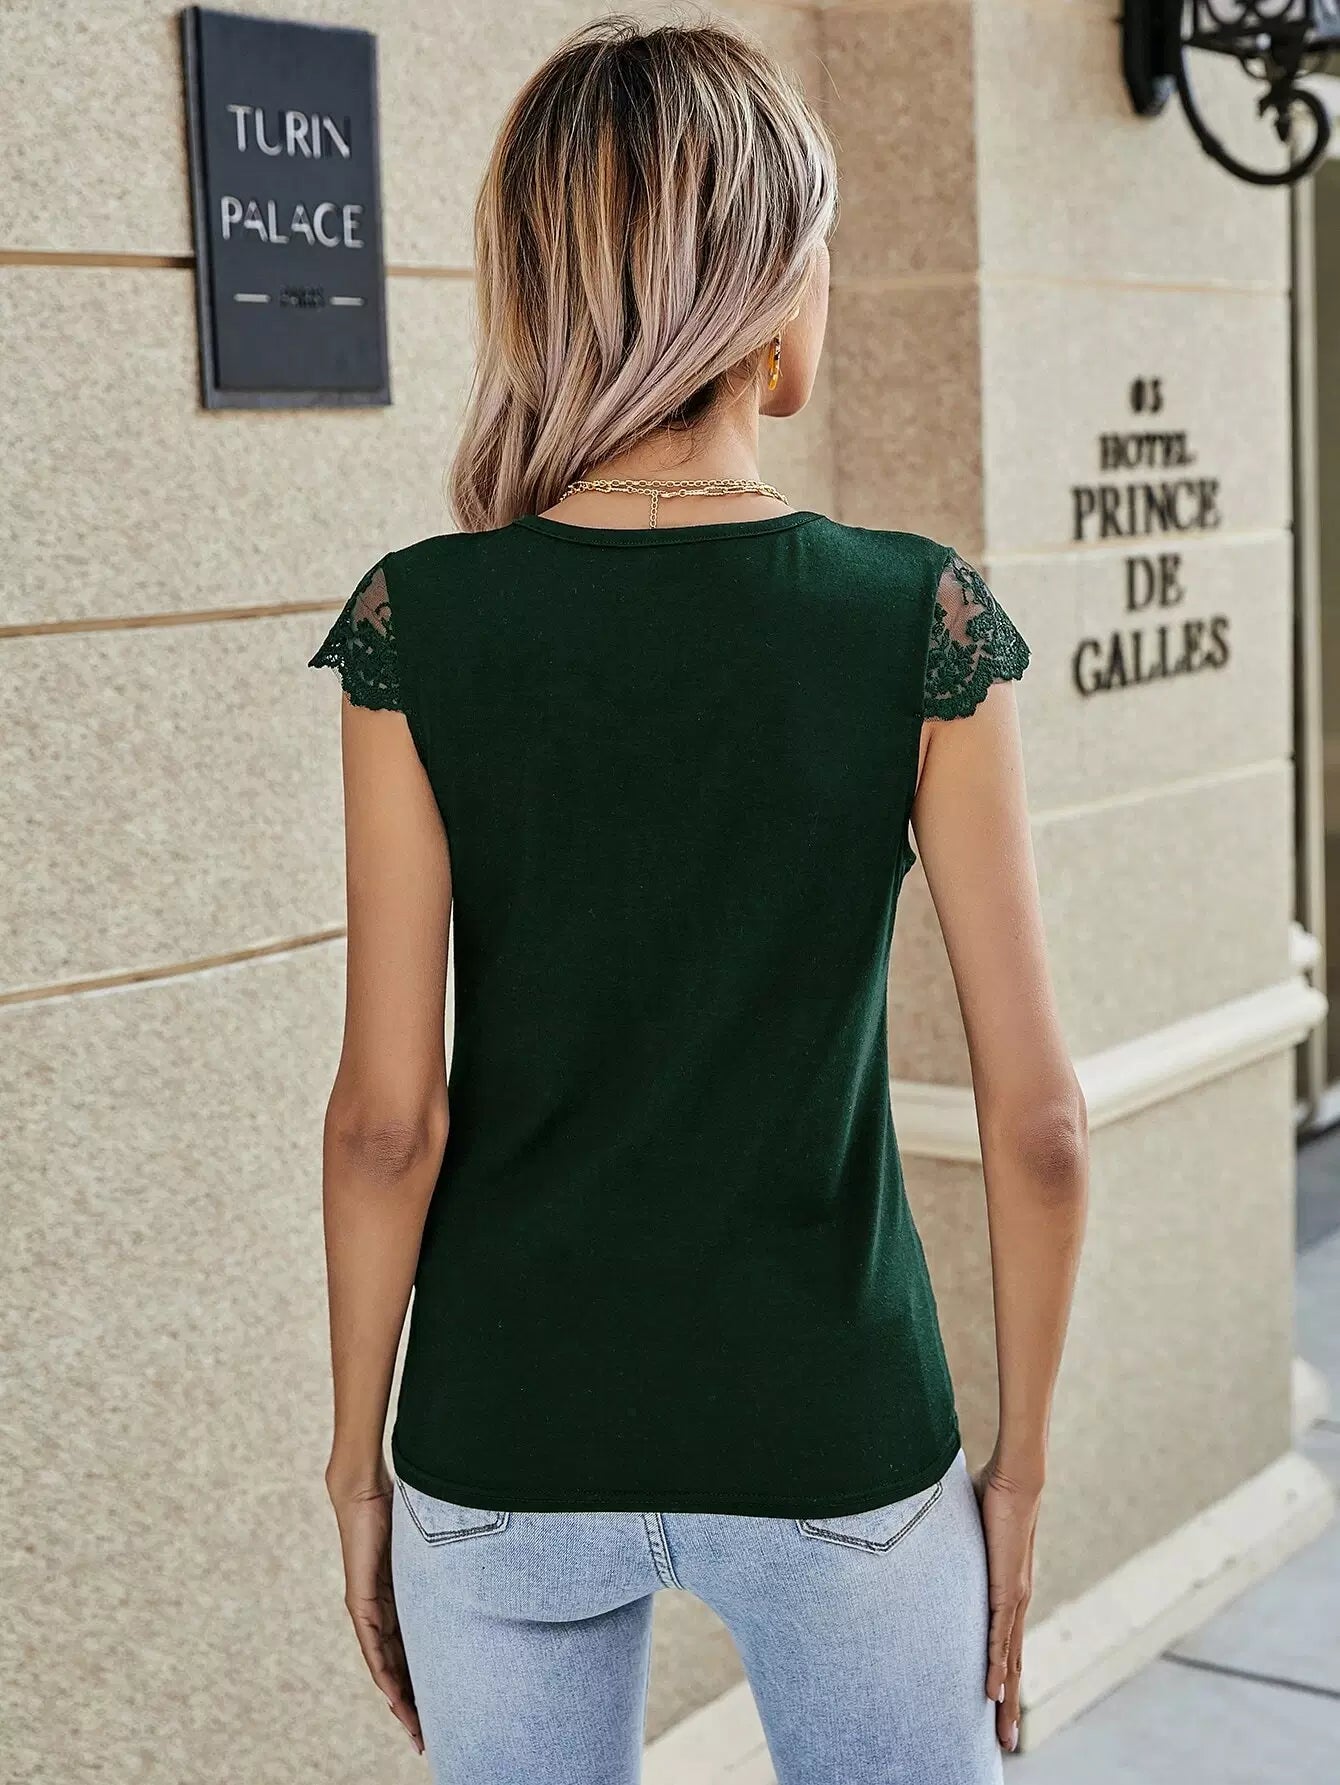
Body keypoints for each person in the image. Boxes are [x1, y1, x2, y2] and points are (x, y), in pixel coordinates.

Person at [307, 16, 1089, 1784]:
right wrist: (1023, 1468)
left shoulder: (418, 619)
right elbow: (1040, 1122)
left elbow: (384, 1121)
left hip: (501, 1435)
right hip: (835, 1431)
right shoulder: (918, 618)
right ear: (765, 290)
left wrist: (357, 1461)